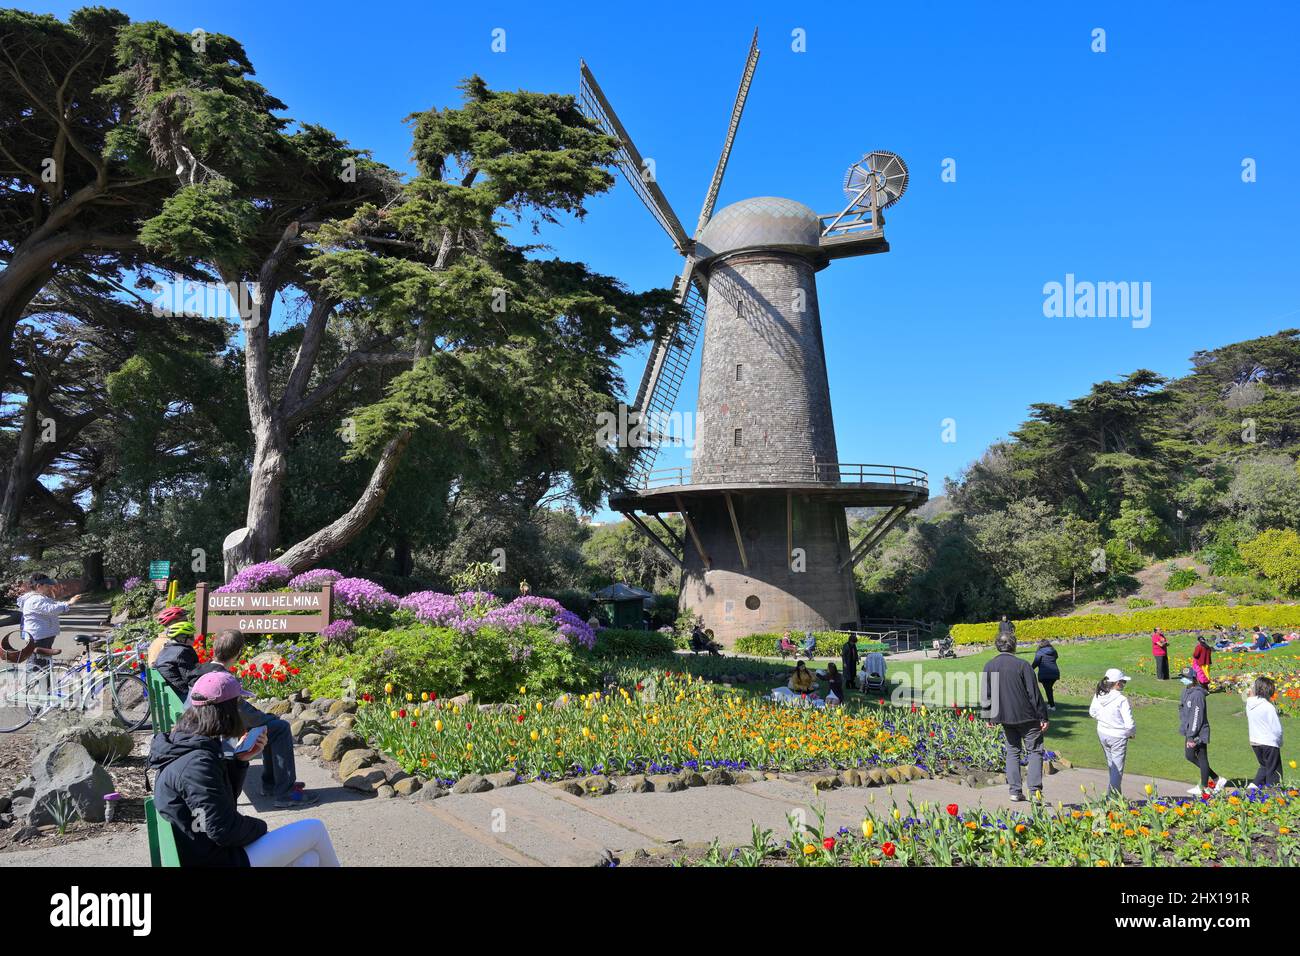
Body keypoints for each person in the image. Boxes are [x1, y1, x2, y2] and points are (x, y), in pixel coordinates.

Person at [150, 671, 339, 867]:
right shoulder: (197, 763)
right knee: (314, 829)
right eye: (238, 703)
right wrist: (262, 829)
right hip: (216, 859)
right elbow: (223, 830)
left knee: (308, 860)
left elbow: (222, 806)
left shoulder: (188, 743)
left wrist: (239, 761)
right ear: (228, 711)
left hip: (207, 851)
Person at [190, 630, 317, 809]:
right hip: (222, 735)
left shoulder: (200, 671)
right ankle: (284, 792)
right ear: (238, 653)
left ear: (215, 649)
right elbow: (243, 713)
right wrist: (267, 717)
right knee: (278, 727)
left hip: (204, 729)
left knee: (269, 726)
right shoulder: (222, 678)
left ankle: (271, 783)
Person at [981, 632, 1048, 802]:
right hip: (1027, 716)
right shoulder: (1022, 665)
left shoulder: (989, 666)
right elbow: (1034, 693)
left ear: (998, 646)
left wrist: (989, 717)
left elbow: (986, 694)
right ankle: (1034, 792)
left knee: (1012, 751)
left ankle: (1015, 791)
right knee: (1035, 750)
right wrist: (1043, 716)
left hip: (1005, 717)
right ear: (1014, 645)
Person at [1178, 665, 1227, 796]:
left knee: (1201, 756)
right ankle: (1217, 779)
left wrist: (1191, 736)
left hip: (1198, 731)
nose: (1183, 680)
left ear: (1193, 679)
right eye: (1182, 677)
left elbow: (1196, 716)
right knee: (1190, 756)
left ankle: (1205, 787)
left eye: (1185, 678)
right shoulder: (1186, 691)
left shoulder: (1198, 695)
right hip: (1190, 730)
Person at [1088, 668, 1135, 795]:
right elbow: (1129, 724)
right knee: (1117, 769)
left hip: (1102, 733)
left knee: (1112, 764)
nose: (1124, 684)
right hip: (1117, 736)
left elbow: (1092, 712)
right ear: (1117, 683)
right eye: (1123, 682)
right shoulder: (1121, 699)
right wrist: (1130, 734)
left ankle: (1116, 795)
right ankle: (1112, 798)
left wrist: (1105, 720)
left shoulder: (1100, 694)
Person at [16, 574, 80, 663]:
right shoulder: (35, 599)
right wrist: (69, 603)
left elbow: (53, 605)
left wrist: (66, 603)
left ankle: (45, 676)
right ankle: (36, 676)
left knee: (44, 663)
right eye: (47, 585)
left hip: (42, 636)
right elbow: (51, 609)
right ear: (39, 586)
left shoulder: (39, 598)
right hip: (38, 638)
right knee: (36, 665)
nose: (50, 587)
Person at [1246, 675, 1283, 789]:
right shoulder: (1268, 707)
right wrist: (1280, 741)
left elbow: (1249, 696)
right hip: (1269, 742)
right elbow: (1276, 728)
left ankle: (1252, 787)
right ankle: (1274, 795)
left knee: (1264, 766)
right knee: (1274, 771)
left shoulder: (1249, 704)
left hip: (1255, 741)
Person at [153, 618, 200, 698]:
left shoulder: (165, 650)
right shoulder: (183, 651)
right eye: (191, 637)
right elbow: (190, 678)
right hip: (181, 697)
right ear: (181, 638)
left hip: (169, 696)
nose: (194, 639)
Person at [1031, 639, 1060, 712]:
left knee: (1048, 689)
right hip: (1054, 672)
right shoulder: (1053, 651)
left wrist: (1030, 669)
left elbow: (1036, 662)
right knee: (1049, 688)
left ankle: (1052, 706)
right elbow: (1056, 657)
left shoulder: (1040, 652)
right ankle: (1050, 704)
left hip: (1045, 673)